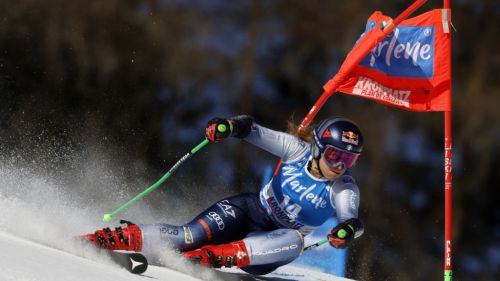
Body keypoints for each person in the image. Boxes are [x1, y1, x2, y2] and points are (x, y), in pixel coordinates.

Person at [79, 115, 365, 275]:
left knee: (295, 239)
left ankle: (210, 257)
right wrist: (229, 127)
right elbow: (252, 129)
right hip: (250, 210)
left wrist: (346, 230)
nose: (340, 165)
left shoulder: (344, 188)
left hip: (272, 246)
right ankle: (106, 239)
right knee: (187, 236)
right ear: (317, 148)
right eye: (334, 154)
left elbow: (352, 219)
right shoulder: (296, 151)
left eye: (349, 160)